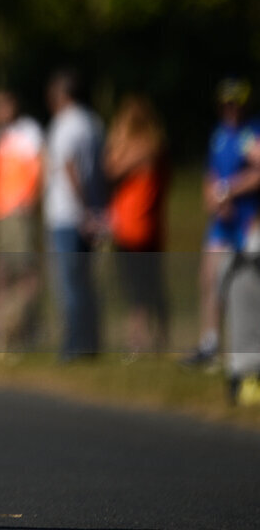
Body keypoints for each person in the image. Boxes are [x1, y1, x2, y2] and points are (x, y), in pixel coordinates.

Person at [183, 78, 260, 368]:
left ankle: (247, 347)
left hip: (247, 220)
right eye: (227, 103)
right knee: (209, 277)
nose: (231, 109)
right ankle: (210, 343)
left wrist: (228, 191)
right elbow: (210, 175)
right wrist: (214, 198)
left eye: (236, 103)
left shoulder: (251, 134)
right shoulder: (219, 135)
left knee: (246, 284)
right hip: (222, 221)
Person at [43, 69, 105, 361]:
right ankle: (90, 341)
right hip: (88, 213)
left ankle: (74, 345)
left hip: (68, 215)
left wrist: (83, 209)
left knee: (68, 283)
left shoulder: (65, 123)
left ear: (62, 94)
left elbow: (69, 167)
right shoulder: (93, 122)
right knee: (85, 281)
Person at [103, 94, 170, 356]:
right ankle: (144, 337)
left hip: (140, 226)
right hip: (130, 225)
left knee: (142, 287)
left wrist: (119, 138)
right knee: (139, 286)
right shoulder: (149, 145)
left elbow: (112, 168)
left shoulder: (150, 146)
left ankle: (145, 339)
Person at [0, 89, 43, 354]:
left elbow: (39, 167)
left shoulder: (27, 131)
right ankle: (1, 325)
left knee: (24, 271)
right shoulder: (1, 136)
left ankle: (25, 328)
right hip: (2, 211)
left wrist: (27, 201)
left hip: (18, 214)